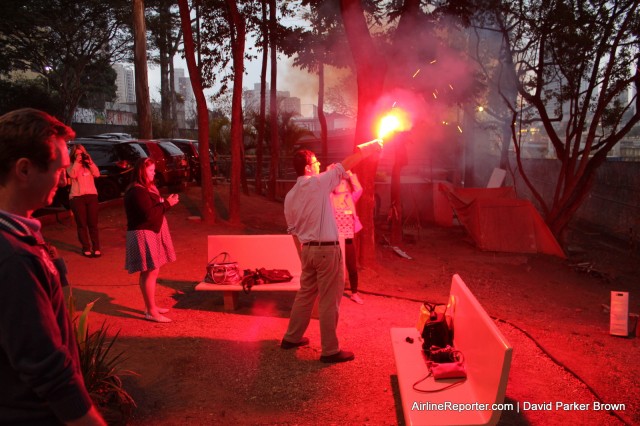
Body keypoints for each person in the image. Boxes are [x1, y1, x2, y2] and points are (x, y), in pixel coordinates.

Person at [0, 108, 106, 425]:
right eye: (59, 169)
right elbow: (45, 365)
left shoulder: (21, 237)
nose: (63, 179)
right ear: (24, 170)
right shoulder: (13, 257)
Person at [281, 139, 382, 363]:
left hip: (307, 251)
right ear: (308, 168)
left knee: (305, 295)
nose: (319, 165)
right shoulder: (318, 183)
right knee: (329, 300)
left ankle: (291, 337)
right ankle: (330, 350)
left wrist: (304, 256)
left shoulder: (290, 196)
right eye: (315, 162)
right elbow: (345, 164)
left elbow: (293, 231)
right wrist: (371, 147)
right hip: (326, 251)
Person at [124, 158, 179, 323]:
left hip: (150, 231)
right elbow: (148, 214)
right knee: (150, 270)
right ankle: (151, 311)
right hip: (143, 233)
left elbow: (154, 206)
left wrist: (165, 202)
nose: (153, 173)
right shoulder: (136, 191)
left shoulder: (146, 188)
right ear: (142, 171)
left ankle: (150, 307)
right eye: (150, 171)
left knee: (151, 270)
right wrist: (167, 204)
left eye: (154, 170)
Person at [330, 170, 364, 304]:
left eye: (344, 182)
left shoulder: (350, 197)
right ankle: (332, 293)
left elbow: (359, 189)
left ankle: (355, 293)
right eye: (339, 182)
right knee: (334, 268)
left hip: (348, 239)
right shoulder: (330, 197)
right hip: (335, 239)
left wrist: (351, 175)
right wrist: (329, 172)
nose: (342, 184)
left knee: (352, 267)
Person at [67, 144, 101, 257]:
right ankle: (86, 247)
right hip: (77, 197)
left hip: (91, 196)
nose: (80, 156)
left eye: (82, 153)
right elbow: (72, 174)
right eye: (78, 153)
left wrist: (90, 161)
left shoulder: (89, 165)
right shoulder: (71, 165)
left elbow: (97, 174)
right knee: (82, 224)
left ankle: (96, 247)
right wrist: (77, 161)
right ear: (74, 154)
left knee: (93, 224)